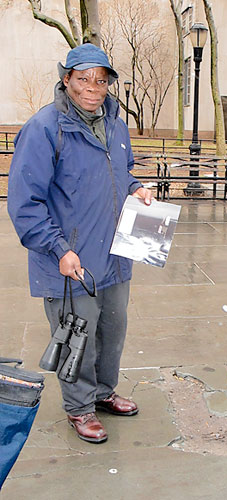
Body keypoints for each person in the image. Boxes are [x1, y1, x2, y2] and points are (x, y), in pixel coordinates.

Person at [8, 43, 153, 444]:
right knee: (77, 337)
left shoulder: (115, 124)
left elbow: (121, 170)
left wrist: (137, 188)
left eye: (101, 80)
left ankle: (103, 392)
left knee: (112, 331)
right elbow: (25, 202)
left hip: (115, 254)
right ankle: (79, 407)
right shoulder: (44, 128)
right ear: (66, 79)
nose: (93, 87)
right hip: (70, 259)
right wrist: (58, 249)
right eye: (84, 78)